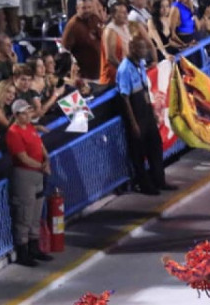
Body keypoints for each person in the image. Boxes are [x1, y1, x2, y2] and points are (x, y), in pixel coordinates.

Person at [117, 35, 171, 194]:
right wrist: (133, 123)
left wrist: (152, 109)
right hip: (135, 114)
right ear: (132, 48)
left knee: (155, 146)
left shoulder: (140, 64)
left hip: (146, 111)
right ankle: (145, 186)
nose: (144, 51)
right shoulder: (124, 69)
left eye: (145, 48)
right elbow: (124, 98)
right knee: (138, 153)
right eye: (141, 48)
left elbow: (145, 89)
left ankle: (159, 180)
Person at [5, 98, 53, 266]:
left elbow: (39, 145)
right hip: (24, 175)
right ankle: (23, 253)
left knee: (35, 213)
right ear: (17, 115)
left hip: (38, 174)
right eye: (24, 113)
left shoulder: (31, 127)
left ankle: (34, 248)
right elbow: (22, 157)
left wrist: (46, 159)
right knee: (24, 213)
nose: (28, 116)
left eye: (28, 112)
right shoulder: (13, 133)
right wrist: (42, 166)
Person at [60, 0, 104, 82]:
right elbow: (64, 51)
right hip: (87, 77)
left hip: (102, 72)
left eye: (89, 8)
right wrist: (73, 64)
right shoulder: (72, 26)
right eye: (84, 8)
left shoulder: (94, 18)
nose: (87, 10)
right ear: (77, 8)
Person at [100, 1, 131, 85]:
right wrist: (125, 71)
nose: (126, 15)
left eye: (126, 12)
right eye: (122, 13)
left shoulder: (125, 26)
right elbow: (110, 57)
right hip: (113, 78)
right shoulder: (110, 31)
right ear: (113, 15)